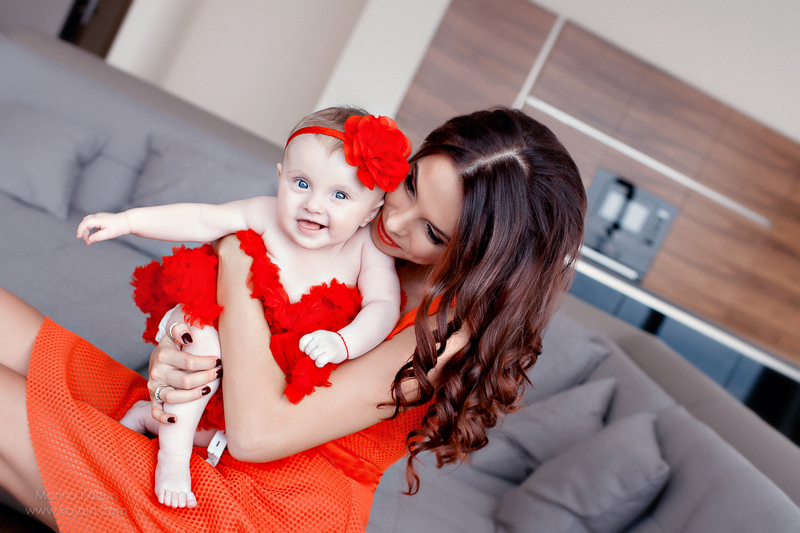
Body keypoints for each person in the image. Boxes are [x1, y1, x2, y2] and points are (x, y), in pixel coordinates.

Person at [0, 107, 586, 532]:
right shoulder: (355, 226)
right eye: (408, 185)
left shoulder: (449, 329)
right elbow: (242, 335)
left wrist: (239, 255)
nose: (395, 222)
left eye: (433, 232)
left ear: (481, 260)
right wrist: (178, 353)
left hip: (258, 504)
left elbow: (259, 434)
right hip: (201, 428)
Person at [75, 107, 411, 509]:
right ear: (280, 176)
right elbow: (203, 219)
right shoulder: (265, 213)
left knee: (232, 424)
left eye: (340, 195)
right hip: (223, 328)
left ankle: (150, 417)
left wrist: (344, 342)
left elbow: (383, 306)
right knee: (202, 345)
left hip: (273, 363)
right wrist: (128, 221)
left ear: (371, 212)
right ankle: (173, 458)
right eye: (301, 183)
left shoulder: (367, 249)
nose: (314, 205)